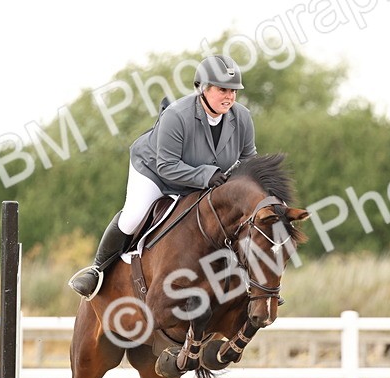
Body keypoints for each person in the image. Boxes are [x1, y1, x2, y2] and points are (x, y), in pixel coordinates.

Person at [69, 54, 258, 298]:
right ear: (202, 88)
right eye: (223, 89)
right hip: (156, 172)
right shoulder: (177, 116)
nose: (230, 97)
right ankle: (96, 270)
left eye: (234, 91)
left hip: (206, 180)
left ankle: (256, 283)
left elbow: (249, 159)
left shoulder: (241, 117)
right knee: (133, 217)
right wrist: (207, 176)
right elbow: (167, 166)